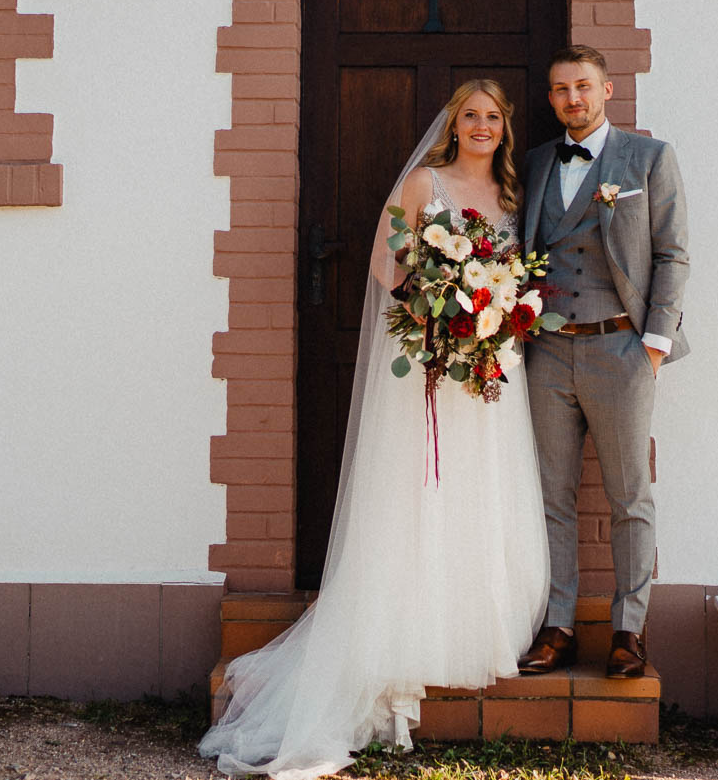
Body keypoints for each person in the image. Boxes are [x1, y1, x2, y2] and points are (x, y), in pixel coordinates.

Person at [199, 80, 549, 780]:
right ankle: (400, 635)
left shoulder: (514, 196)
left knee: (480, 487)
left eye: (492, 117)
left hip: (488, 369)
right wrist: (433, 313)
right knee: (417, 492)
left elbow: (515, 274)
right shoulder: (425, 182)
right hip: (428, 357)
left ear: (506, 128)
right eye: (470, 116)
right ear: (453, 125)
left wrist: (498, 315)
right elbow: (384, 262)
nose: (481, 126)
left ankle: (472, 631)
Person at [515, 45, 690, 680]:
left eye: (583, 87)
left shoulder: (649, 157)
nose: (572, 100)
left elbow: (672, 253)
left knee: (629, 496)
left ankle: (629, 631)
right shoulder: (535, 163)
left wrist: (656, 341)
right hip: (548, 354)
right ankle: (558, 625)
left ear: (607, 90)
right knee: (552, 496)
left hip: (622, 347)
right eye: (560, 90)